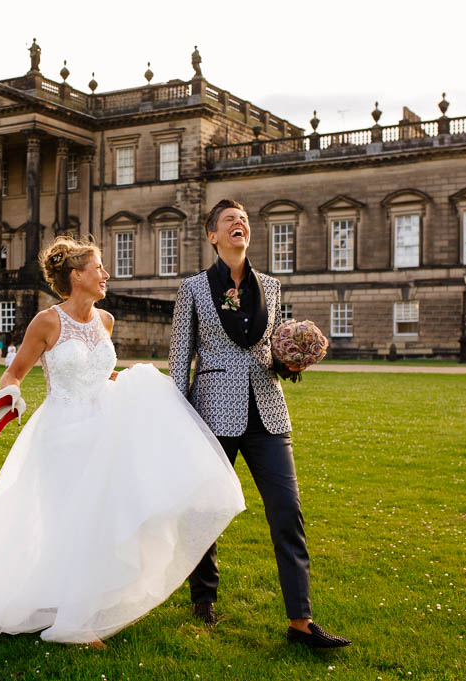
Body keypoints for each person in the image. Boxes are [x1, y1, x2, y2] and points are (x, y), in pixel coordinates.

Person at [0, 236, 245, 644]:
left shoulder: (106, 321)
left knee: (101, 519)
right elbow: (14, 372)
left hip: (105, 428)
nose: (106, 275)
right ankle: (75, 621)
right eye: (98, 268)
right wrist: (9, 396)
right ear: (76, 276)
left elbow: (102, 374)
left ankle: (84, 602)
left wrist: (135, 381)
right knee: (70, 520)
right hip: (62, 432)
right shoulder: (48, 322)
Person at [169, 198, 351, 648]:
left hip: (268, 411)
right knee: (206, 511)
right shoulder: (192, 289)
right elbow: (180, 357)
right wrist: (176, 413)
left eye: (244, 221)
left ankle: (300, 622)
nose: (239, 225)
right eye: (230, 221)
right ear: (212, 235)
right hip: (212, 410)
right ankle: (203, 598)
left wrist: (291, 361)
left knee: (287, 512)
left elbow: (268, 347)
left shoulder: (270, 285)